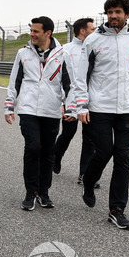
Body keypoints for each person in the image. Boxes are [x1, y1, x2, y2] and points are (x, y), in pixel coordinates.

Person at [73, 0, 129, 230]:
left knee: (122, 157)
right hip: (99, 107)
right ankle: (89, 180)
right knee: (104, 151)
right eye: (109, 12)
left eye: (117, 12)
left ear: (127, 15)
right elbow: (80, 76)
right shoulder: (93, 40)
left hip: (127, 108)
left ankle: (117, 209)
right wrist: (81, 106)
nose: (113, 16)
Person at [5, 16, 71, 210]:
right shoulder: (22, 53)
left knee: (47, 153)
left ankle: (44, 192)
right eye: (31, 30)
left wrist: (71, 106)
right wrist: (10, 105)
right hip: (28, 108)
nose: (31, 34)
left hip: (51, 110)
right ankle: (30, 192)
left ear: (47, 33)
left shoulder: (62, 54)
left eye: (35, 31)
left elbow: (68, 83)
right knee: (33, 148)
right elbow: (14, 81)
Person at [53, 18, 98, 188]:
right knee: (68, 133)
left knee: (90, 138)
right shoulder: (65, 50)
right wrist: (66, 105)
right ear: (82, 31)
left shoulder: (95, 48)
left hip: (91, 100)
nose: (95, 32)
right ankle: (56, 155)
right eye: (92, 29)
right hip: (70, 101)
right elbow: (62, 81)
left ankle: (84, 174)